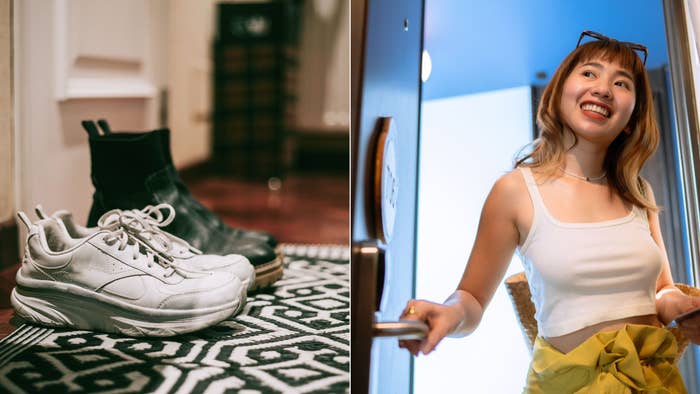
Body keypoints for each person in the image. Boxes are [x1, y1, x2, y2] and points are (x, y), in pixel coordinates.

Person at [398, 30, 700, 393]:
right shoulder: (514, 191)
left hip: (655, 382)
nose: (603, 88)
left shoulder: (639, 193)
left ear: (633, 117)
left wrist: (682, 306)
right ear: (558, 93)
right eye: (589, 73)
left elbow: (661, 290)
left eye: (621, 83)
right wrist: (449, 312)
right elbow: (472, 300)